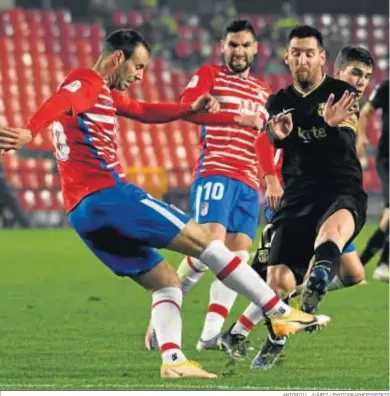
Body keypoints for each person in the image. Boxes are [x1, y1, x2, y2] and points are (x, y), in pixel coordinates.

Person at [0, 28, 330, 379]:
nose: (140, 76)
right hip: (111, 195)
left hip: (81, 214)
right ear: (117, 59)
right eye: (137, 67)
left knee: (166, 281)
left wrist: (190, 108)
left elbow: (144, 111)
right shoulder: (87, 82)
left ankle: (173, 360)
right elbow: (64, 100)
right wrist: (30, 130)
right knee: (208, 242)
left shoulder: (104, 96)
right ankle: (277, 312)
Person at [219, 44, 375, 368]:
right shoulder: (311, 101)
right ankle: (244, 332)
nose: (360, 83)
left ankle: (291, 301)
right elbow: (265, 139)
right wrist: (270, 179)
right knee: (273, 279)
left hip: (331, 200)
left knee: (354, 273)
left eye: (366, 78)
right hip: (290, 199)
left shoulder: (347, 109)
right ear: (334, 71)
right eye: (355, 75)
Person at [144, 19, 284, 352]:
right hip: (217, 171)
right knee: (210, 250)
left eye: (245, 45)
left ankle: (209, 336)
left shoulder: (265, 92)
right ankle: (162, 310)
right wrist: (229, 114)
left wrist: (271, 176)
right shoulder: (211, 75)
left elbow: (267, 142)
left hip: (249, 183)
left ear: (255, 49)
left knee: (237, 256)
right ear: (223, 47)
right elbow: (187, 108)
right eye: (233, 45)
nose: (239, 51)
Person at [357, 79, 389, 282]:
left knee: (387, 218)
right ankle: (384, 264)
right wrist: (361, 137)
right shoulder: (386, 88)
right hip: (387, 159)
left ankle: (358, 266)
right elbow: (365, 111)